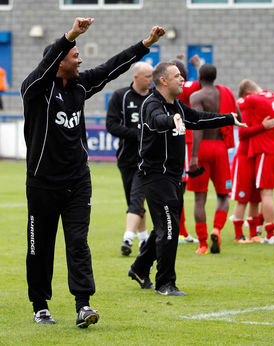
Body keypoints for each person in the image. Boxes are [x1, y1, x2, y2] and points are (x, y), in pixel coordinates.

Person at [21, 17, 165, 327]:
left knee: (77, 242)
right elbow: (45, 66)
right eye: (75, 55)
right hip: (42, 183)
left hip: (76, 181)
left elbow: (113, 67)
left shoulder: (79, 85)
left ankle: (83, 305)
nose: (81, 59)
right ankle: (40, 305)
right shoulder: (34, 90)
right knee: (40, 247)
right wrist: (70, 35)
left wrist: (145, 45)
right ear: (58, 62)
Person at [128, 61, 246, 296]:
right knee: (170, 229)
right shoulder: (152, 104)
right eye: (177, 76)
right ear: (163, 80)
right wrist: (170, 121)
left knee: (165, 225)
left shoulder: (178, 106)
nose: (183, 79)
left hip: (173, 177)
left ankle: (140, 268)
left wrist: (228, 118)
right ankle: (165, 283)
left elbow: (199, 118)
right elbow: (155, 121)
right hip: (155, 176)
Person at [187, 64, 241, 255]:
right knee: (223, 195)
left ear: (199, 77)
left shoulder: (197, 97)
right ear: (215, 77)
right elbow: (238, 117)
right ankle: (216, 229)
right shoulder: (226, 93)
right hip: (220, 148)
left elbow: (198, 126)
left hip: (202, 149)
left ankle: (202, 244)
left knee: (199, 198)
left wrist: (193, 155)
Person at [106, 62, 153, 256]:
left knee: (136, 199)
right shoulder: (120, 96)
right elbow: (111, 124)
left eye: (152, 76)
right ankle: (144, 240)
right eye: (148, 76)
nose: (152, 80)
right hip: (126, 157)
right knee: (133, 202)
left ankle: (127, 238)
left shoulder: (154, 97)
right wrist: (136, 134)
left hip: (147, 160)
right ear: (136, 77)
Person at [234, 79, 274, 244]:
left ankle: (270, 235)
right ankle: (255, 231)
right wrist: (268, 126)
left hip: (266, 150)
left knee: (265, 193)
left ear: (248, 94)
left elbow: (234, 104)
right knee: (254, 196)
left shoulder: (254, 100)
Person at [170, 58, 200, 244]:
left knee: (178, 188)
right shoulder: (186, 86)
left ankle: (179, 230)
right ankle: (179, 231)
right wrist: (197, 65)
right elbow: (204, 82)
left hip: (174, 139)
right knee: (179, 188)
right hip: (184, 142)